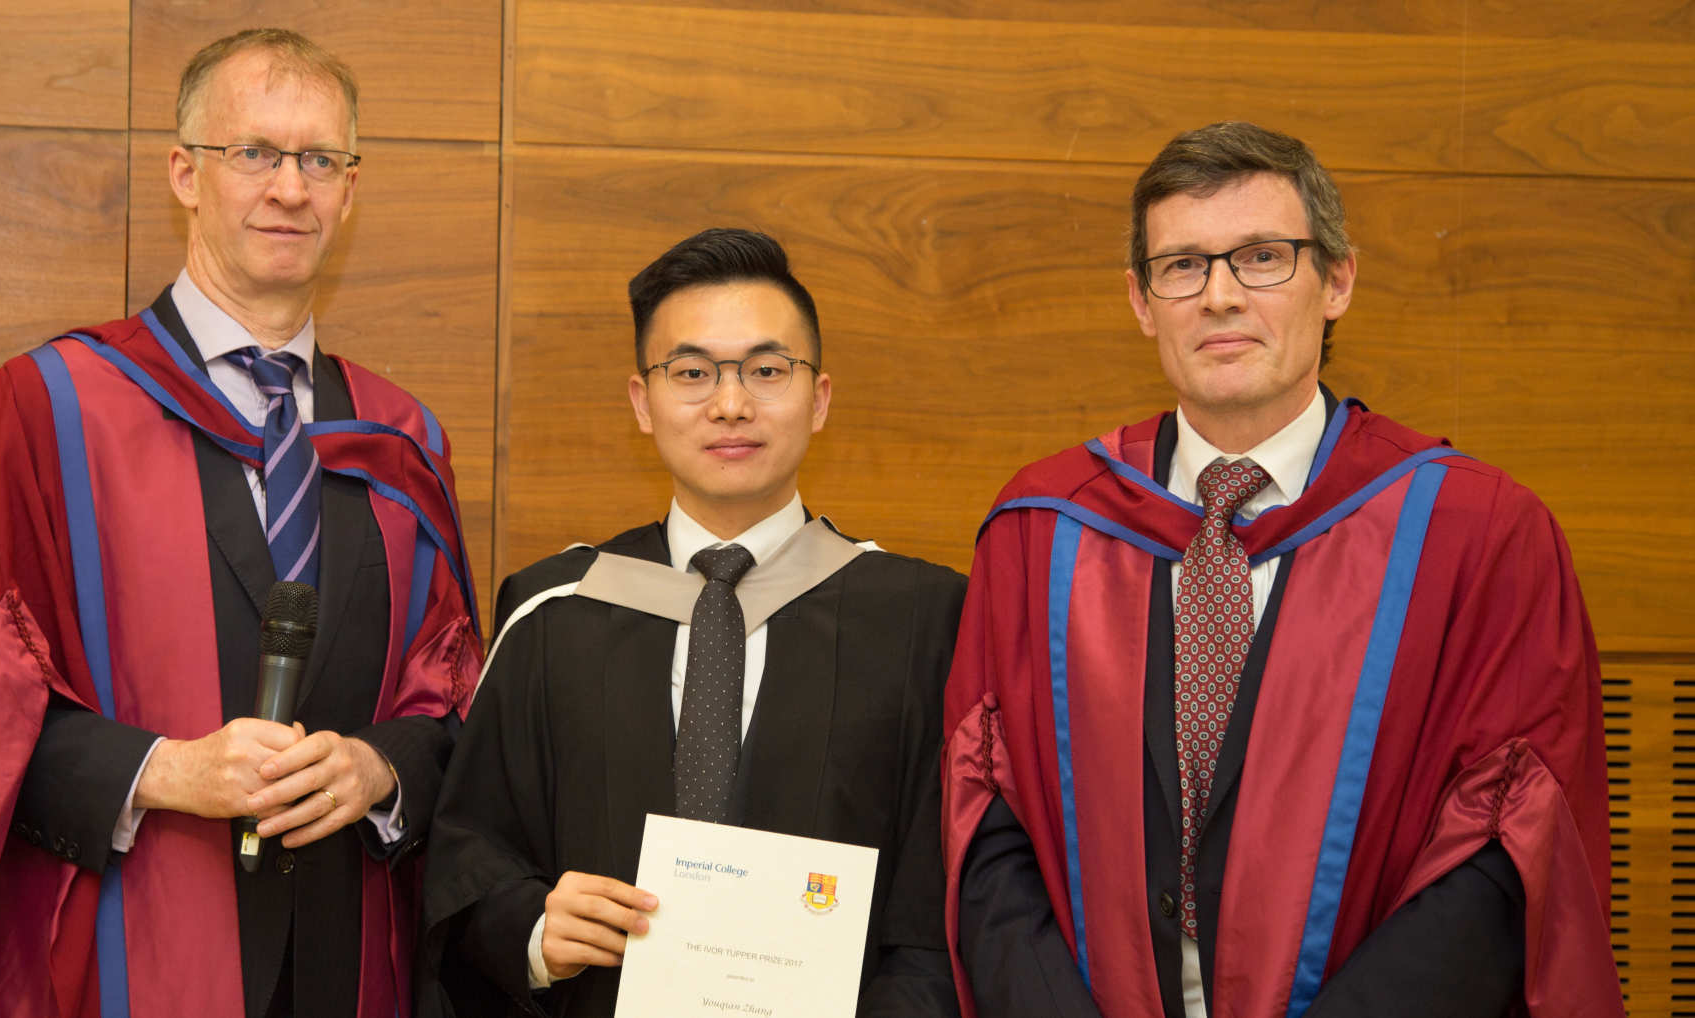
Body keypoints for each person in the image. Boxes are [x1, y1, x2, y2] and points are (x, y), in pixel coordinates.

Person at [0, 28, 481, 1018]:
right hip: (125, 957)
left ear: (350, 191)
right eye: (253, 153)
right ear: (185, 173)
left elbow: (456, 710)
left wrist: (378, 766)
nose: (289, 188)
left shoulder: (401, 441)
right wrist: (163, 770)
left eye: (320, 160)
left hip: (347, 959)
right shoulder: (44, 416)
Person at [942, 121, 1620, 1018]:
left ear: (1337, 281)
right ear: (1142, 302)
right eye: (1182, 266)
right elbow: (989, 821)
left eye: (1262, 257)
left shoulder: (1477, 535)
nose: (1220, 296)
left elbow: (1507, 846)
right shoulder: (1042, 531)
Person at [421, 228, 965, 1018]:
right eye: (692, 372)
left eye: (767, 371)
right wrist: (534, 932)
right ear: (642, 403)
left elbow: (942, 903)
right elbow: (471, 857)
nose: (731, 404)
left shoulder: (925, 622)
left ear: (819, 399)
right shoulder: (555, 612)